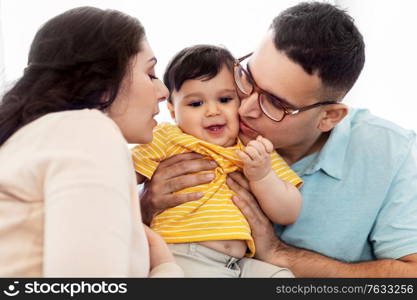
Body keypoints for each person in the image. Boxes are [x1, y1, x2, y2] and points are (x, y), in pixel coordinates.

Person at [140, 2, 417, 277]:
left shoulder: (394, 153)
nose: (245, 107)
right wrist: (145, 207)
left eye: (273, 103)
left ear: (329, 117)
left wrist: (279, 254)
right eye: (247, 77)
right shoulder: (199, 129)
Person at [0, 6, 183, 277]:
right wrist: (168, 270)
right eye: (151, 74)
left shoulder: (37, 140)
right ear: (103, 82)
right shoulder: (87, 131)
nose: (163, 91)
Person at [132, 45, 302, 277]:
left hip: (238, 263)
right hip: (185, 255)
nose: (212, 111)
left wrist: (263, 176)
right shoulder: (167, 138)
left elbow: (288, 213)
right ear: (173, 111)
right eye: (195, 104)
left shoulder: (254, 148)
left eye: (224, 99)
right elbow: (123, 176)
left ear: (240, 99)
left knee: (283, 277)